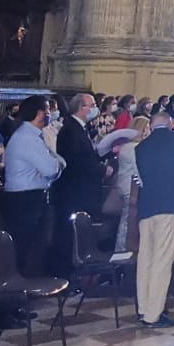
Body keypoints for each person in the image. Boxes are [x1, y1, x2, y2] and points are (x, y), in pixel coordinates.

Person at [133, 111, 174, 328]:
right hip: (171, 206)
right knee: (162, 261)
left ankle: (143, 309)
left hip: (147, 207)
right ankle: (154, 314)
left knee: (146, 260)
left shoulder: (141, 147)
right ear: (170, 124)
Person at [0, 96, 65, 275]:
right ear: (39, 113)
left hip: (30, 197)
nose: (50, 115)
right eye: (48, 111)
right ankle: (17, 289)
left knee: (33, 246)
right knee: (24, 247)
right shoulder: (27, 138)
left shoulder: (33, 136)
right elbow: (52, 169)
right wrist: (54, 166)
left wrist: (54, 165)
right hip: (25, 200)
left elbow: (58, 162)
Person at [49, 93, 105, 273]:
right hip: (73, 192)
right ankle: (64, 273)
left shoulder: (79, 128)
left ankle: (73, 271)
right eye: (92, 105)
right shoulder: (71, 129)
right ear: (82, 108)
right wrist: (101, 169)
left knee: (75, 235)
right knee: (67, 235)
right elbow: (76, 162)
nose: (95, 108)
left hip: (79, 191)